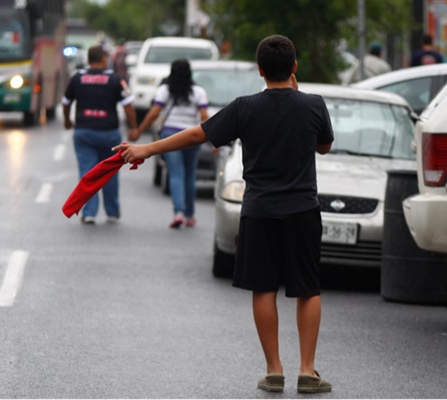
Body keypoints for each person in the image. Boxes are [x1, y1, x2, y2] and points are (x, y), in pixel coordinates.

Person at [114, 34, 334, 394]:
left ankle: (274, 369)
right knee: (308, 289)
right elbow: (323, 146)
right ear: (294, 68)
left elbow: (198, 135)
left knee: (264, 288)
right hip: (302, 210)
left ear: (260, 71)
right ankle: (308, 371)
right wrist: (300, 91)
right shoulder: (313, 104)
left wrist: (146, 149)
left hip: (260, 210)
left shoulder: (244, 107)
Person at [128, 59, 209, 229]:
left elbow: (154, 113)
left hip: (171, 135)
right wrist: (214, 140)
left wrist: (139, 131)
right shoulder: (198, 92)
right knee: (189, 175)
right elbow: (204, 117)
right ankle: (190, 215)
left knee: (176, 174)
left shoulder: (165, 90)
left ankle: (178, 212)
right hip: (192, 136)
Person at [62, 44, 137, 224]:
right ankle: (112, 212)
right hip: (109, 134)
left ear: (88, 59)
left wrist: (67, 120)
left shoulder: (77, 78)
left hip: (84, 132)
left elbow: (66, 102)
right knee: (109, 172)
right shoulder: (115, 79)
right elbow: (128, 105)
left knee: (87, 172)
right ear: (104, 59)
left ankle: (89, 213)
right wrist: (134, 128)